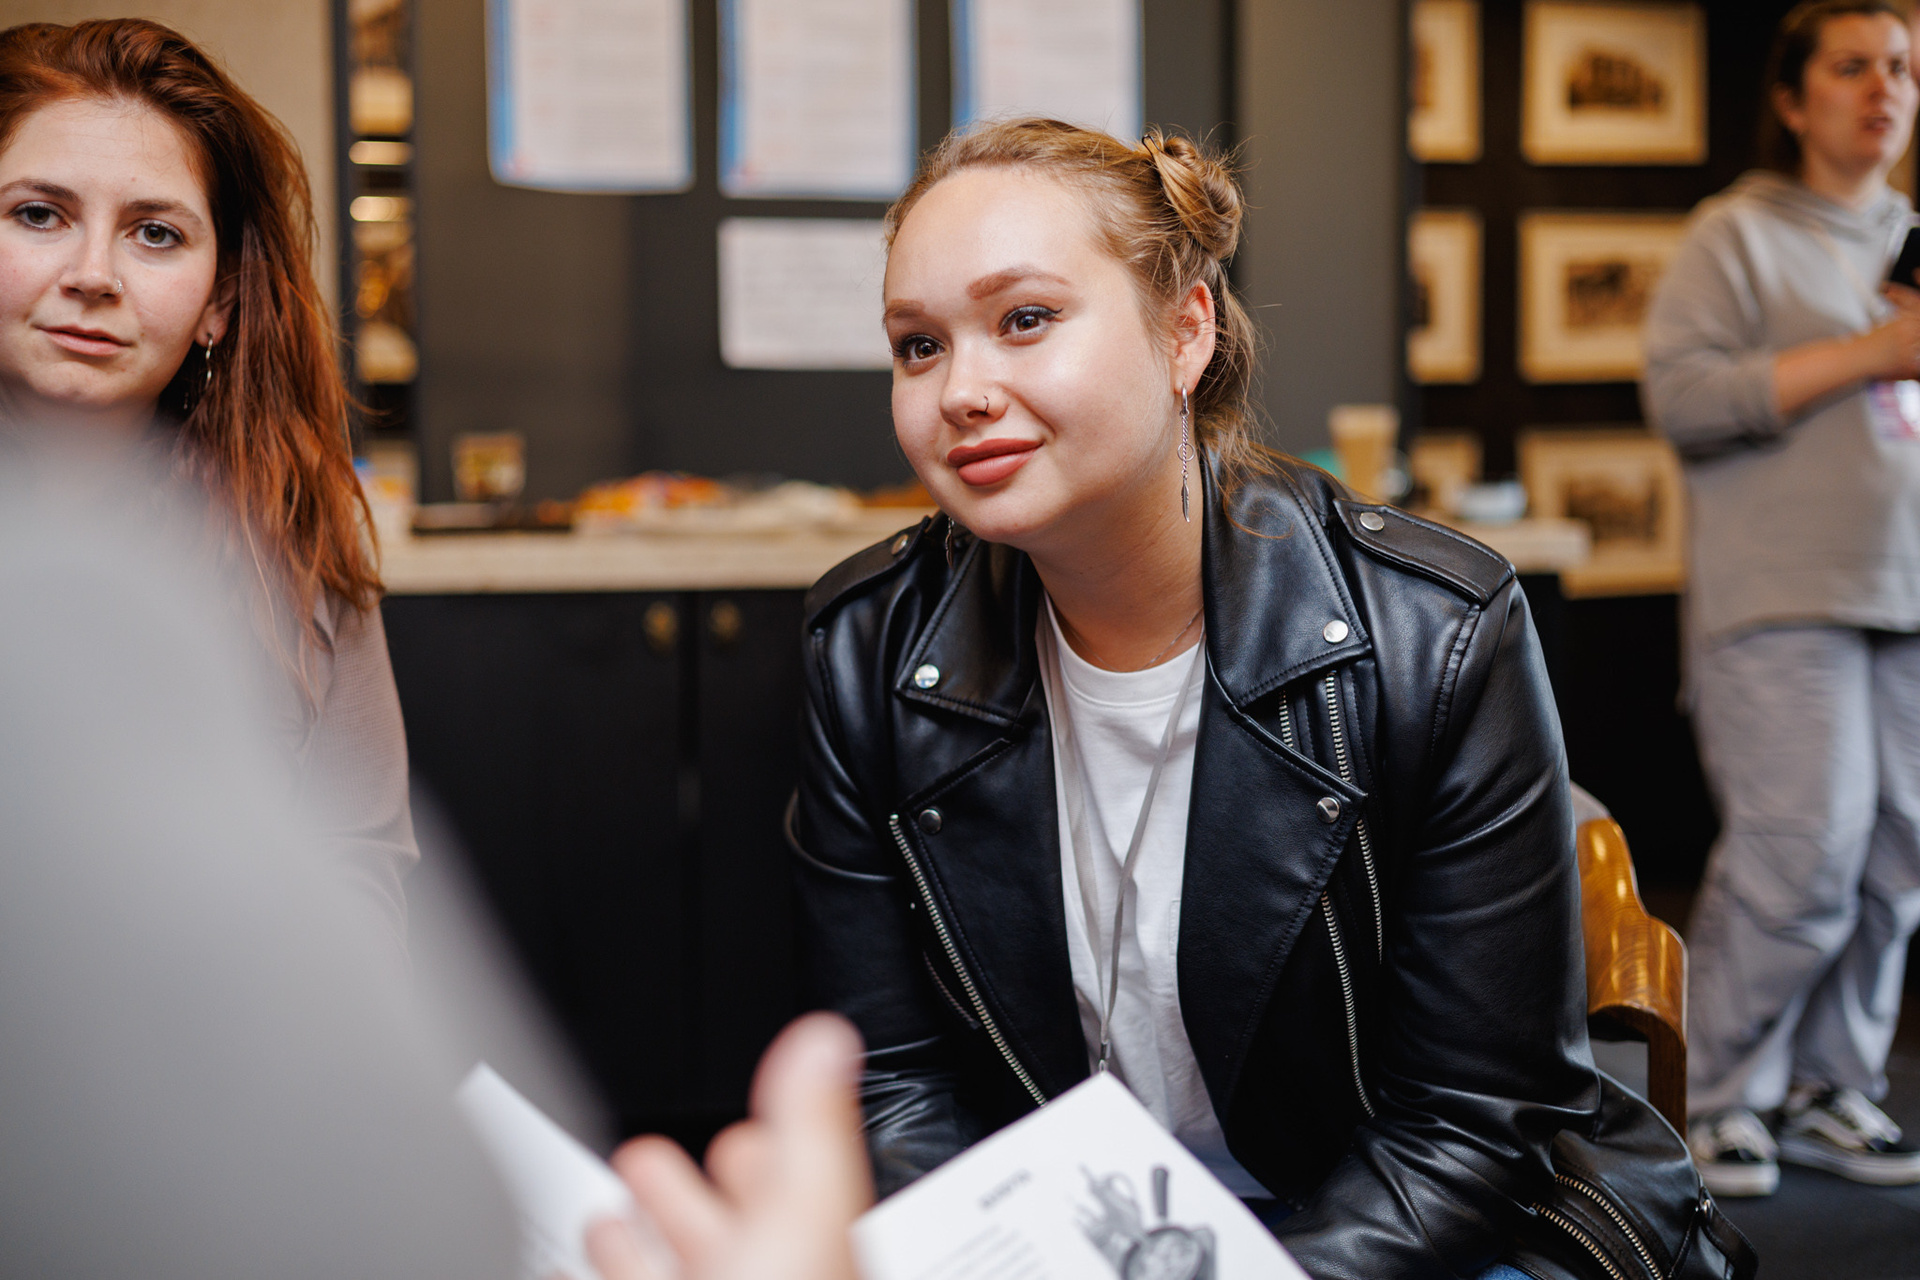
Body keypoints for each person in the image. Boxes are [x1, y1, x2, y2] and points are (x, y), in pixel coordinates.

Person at [787, 118, 1730, 1279]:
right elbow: (893, 1084)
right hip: (1069, 1239)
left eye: (1025, 318)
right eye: (919, 345)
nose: (962, 390)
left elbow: (1470, 1130)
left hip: (1393, 1228)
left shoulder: (1436, 632)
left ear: (1185, 331)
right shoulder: (867, 646)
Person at [0, 18, 416, 961]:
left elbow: (359, 885)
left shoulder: (290, 524)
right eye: (39, 215)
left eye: (155, 233)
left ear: (218, 303)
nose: (93, 276)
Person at [1642, 0, 1920, 1199]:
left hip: (1908, 593)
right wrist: (1872, 353)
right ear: (1795, 100)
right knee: (1803, 856)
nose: (1884, 87)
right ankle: (1716, 1095)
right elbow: (1683, 399)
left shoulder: (1911, 234)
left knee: (1900, 861)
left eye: (1902, 66)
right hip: (1781, 599)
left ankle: (1825, 1087)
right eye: (1853, 66)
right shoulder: (1737, 234)